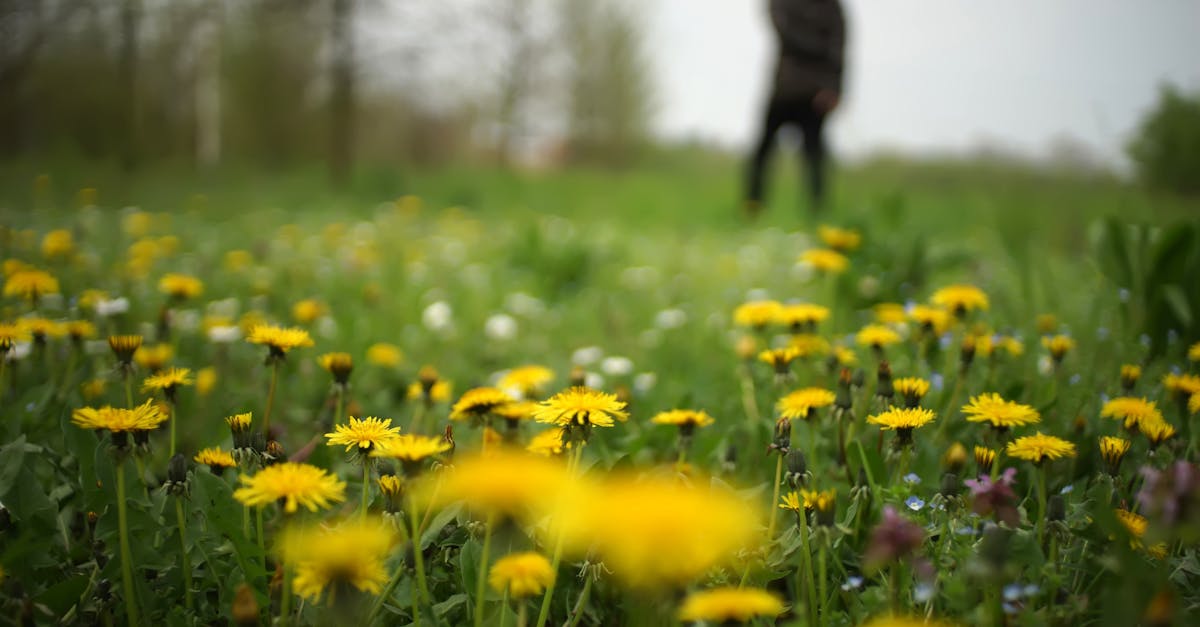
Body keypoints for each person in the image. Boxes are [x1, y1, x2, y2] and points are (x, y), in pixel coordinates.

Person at [744, 0, 845, 217]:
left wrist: (835, 89)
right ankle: (752, 206)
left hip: (815, 93)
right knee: (763, 150)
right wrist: (821, 47)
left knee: (814, 153)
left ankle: (817, 211)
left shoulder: (830, 5)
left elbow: (839, 45)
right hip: (785, 88)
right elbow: (786, 32)